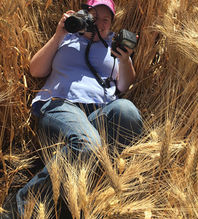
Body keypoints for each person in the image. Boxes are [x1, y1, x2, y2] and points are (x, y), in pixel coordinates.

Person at [15, 0, 143, 217]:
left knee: (128, 111)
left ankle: (81, 193)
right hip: (62, 105)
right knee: (89, 143)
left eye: (106, 20)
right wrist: (58, 35)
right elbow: (36, 70)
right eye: (95, 17)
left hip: (100, 111)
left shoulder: (114, 44)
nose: (101, 24)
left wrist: (125, 59)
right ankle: (23, 205)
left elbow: (123, 86)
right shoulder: (67, 37)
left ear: (112, 24)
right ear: (85, 15)